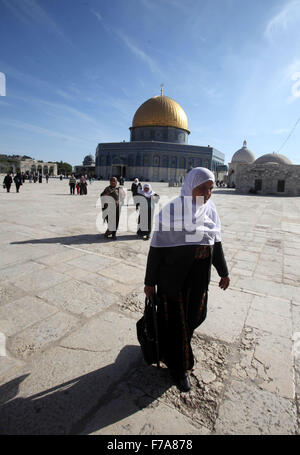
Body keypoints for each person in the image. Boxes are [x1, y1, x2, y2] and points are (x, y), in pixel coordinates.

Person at [143, 167, 230, 392]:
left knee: (194, 318)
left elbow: (216, 243)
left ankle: (176, 352)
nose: (208, 194)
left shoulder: (210, 211)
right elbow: (157, 249)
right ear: (190, 186)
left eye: (210, 189)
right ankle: (180, 368)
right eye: (202, 188)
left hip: (199, 281)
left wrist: (223, 272)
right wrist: (149, 282)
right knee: (178, 324)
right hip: (173, 282)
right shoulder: (172, 211)